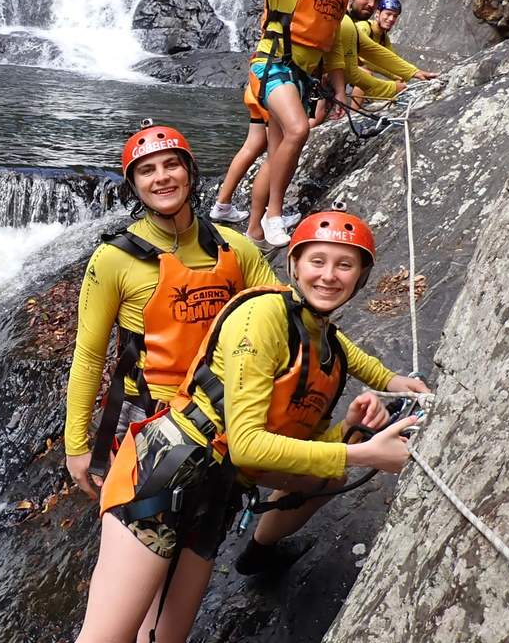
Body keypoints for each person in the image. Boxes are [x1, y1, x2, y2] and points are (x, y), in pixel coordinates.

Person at [76, 210, 428, 643]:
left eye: (345, 265)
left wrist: (357, 424)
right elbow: (246, 446)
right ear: (294, 265)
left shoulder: (324, 343)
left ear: (360, 275)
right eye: (317, 261)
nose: (329, 276)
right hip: (162, 474)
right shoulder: (263, 316)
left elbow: (347, 367)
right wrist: (363, 453)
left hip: (215, 496)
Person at [66, 121, 281, 503]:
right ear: (134, 185)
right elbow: (89, 354)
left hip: (223, 410)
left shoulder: (236, 248)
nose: (162, 178)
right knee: (145, 531)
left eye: (172, 165)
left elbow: (286, 323)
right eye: (147, 170)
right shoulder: (113, 259)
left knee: (204, 532)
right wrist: (76, 446)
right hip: (146, 415)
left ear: (190, 173)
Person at [222, 0, 351, 248]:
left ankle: (255, 230)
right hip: (271, 67)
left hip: (300, 77)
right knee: (298, 131)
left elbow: (330, 44)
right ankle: (274, 215)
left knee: (279, 150)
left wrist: (338, 90)